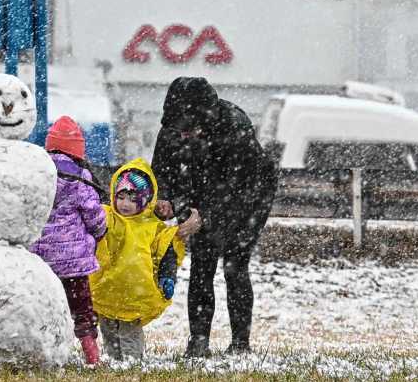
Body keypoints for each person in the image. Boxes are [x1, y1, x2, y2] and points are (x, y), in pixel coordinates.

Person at [151, 76, 278, 357]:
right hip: (200, 191)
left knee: (235, 265)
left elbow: (236, 187)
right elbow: (160, 169)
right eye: (177, 128)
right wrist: (164, 197)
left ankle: (241, 344)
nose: (181, 134)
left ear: (202, 119)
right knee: (201, 265)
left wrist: (205, 216)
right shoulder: (173, 128)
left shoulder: (234, 127)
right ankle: (198, 342)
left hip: (249, 198)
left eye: (187, 128)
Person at [88, 158, 201, 361]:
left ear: (146, 200)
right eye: (121, 197)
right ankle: (114, 360)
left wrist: (167, 277)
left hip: (135, 293)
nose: (125, 204)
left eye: (133, 199)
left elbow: (166, 250)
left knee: (129, 332)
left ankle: (132, 361)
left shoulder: (152, 227)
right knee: (109, 330)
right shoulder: (106, 217)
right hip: (105, 288)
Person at [30, 115, 107, 365]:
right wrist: (100, 231)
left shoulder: (37, 173)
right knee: (82, 311)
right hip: (73, 265)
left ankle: (43, 355)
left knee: (43, 310)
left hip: (42, 263)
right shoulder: (81, 176)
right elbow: (94, 214)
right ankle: (91, 355)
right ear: (78, 149)